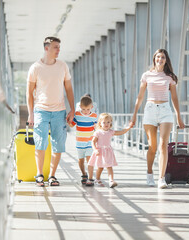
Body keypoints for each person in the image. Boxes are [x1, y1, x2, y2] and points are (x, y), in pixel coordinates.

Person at [130, 49, 185, 189]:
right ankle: (149, 174)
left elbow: (174, 98)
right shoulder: (147, 75)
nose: (160, 59)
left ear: (166, 60)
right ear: (154, 59)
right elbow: (140, 96)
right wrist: (134, 114)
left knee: (163, 145)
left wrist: (178, 115)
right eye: (158, 57)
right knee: (153, 147)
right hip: (150, 110)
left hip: (165, 110)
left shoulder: (169, 77)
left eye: (163, 57)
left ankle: (161, 178)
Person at [26, 36, 75, 187]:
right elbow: (29, 92)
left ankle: (52, 176)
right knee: (40, 143)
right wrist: (31, 113)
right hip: (41, 110)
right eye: (55, 47)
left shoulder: (63, 66)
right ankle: (40, 174)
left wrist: (72, 109)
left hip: (59, 111)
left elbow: (68, 88)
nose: (58, 50)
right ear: (46, 48)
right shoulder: (35, 68)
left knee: (58, 145)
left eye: (59, 47)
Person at [87, 113, 133, 188]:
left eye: (108, 122)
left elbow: (121, 132)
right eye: (104, 122)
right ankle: (97, 179)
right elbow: (93, 142)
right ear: (100, 123)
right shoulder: (98, 132)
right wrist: (95, 150)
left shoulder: (111, 132)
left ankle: (111, 180)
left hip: (108, 152)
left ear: (111, 122)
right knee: (100, 167)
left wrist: (129, 127)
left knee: (109, 166)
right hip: (100, 151)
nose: (106, 124)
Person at [68, 95, 98, 184]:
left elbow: (96, 128)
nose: (85, 112)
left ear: (91, 107)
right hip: (80, 143)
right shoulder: (77, 114)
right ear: (80, 107)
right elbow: (72, 125)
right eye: (84, 109)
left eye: (88, 109)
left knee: (89, 159)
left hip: (90, 142)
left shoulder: (94, 116)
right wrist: (68, 120)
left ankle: (90, 178)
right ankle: (84, 174)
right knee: (81, 160)